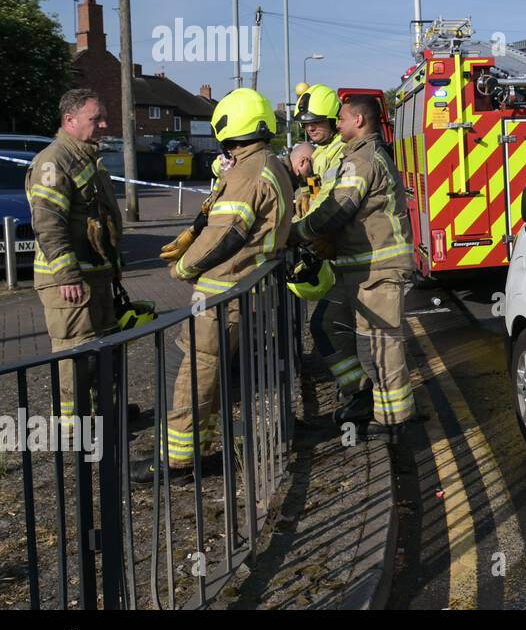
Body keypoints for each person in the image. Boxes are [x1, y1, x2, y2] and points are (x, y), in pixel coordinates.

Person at [131, 88, 292, 482]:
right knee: (208, 372)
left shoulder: (248, 171)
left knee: (196, 372)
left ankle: (177, 462)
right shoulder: (266, 164)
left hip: (225, 291)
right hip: (244, 289)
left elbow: (227, 235)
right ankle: (195, 448)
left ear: (226, 128)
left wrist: (183, 268)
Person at [291, 93, 415, 439]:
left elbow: (339, 207)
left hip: (378, 270)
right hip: (356, 269)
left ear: (358, 121)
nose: (339, 124)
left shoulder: (364, 159)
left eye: (342, 119)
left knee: (381, 346)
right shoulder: (356, 156)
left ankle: (393, 423)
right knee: (328, 324)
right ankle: (361, 395)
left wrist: (297, 232)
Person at [25, 89, 122, 420]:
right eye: (97, 119)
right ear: (70, 120)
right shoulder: (54, 161)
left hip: (95, 277)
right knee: (74, 357)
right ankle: (71, 429)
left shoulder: (85, 157)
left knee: (102, 350)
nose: (104, 124)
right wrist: (67, 274)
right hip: (69, 284)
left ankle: (103, 417)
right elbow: (48, 224)